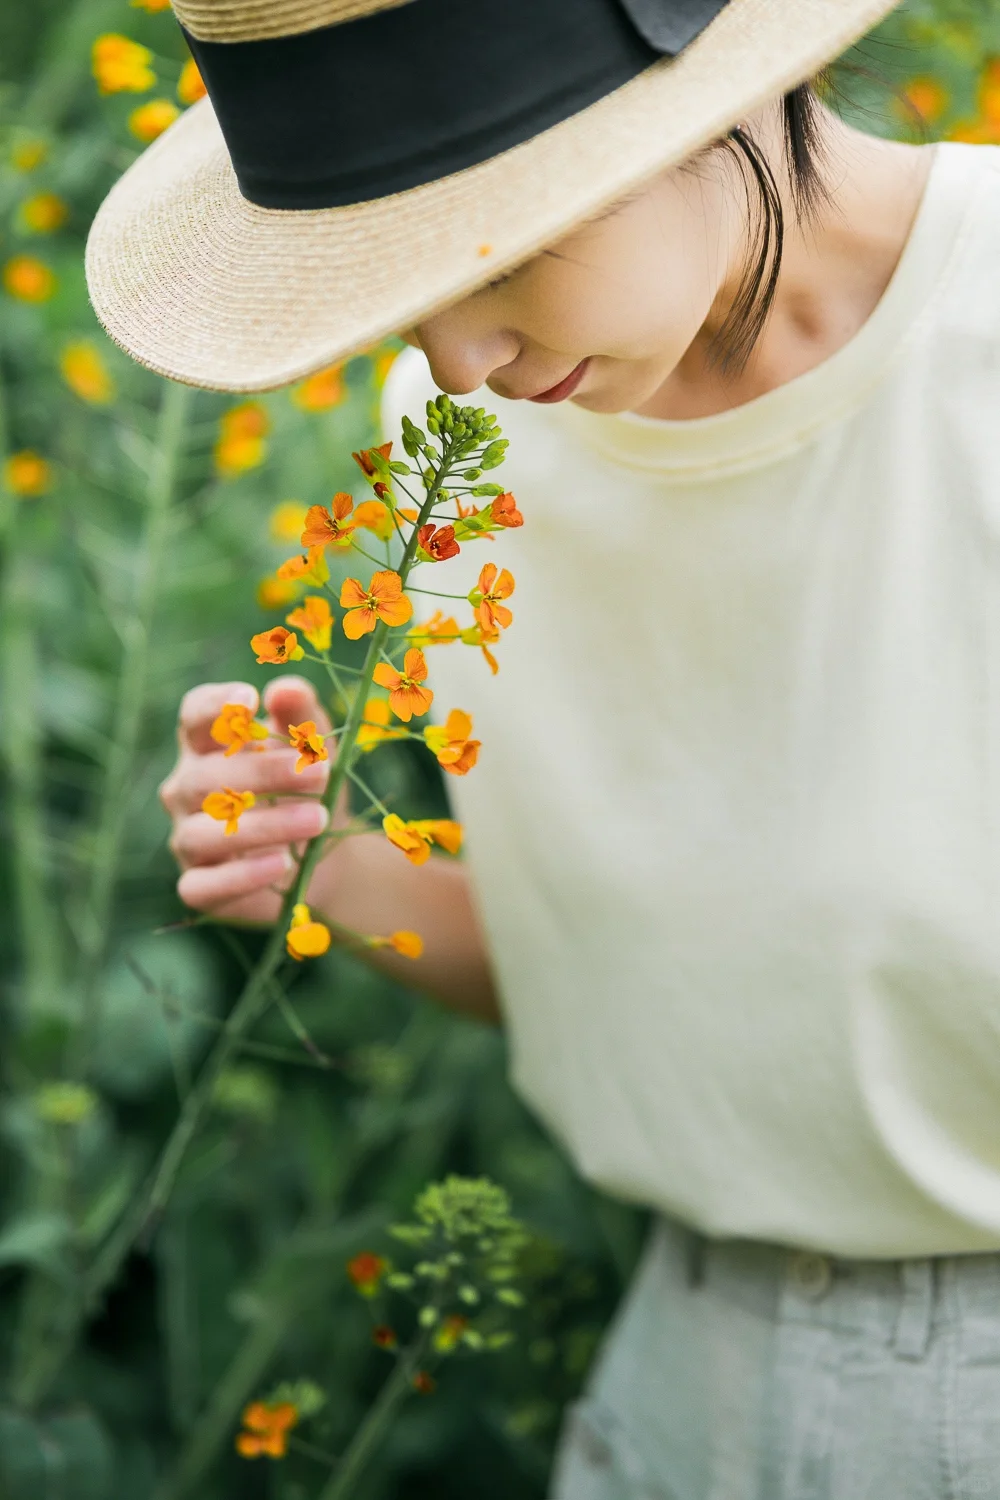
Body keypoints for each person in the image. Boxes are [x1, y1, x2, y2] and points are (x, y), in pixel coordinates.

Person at [87, 1, 1000, 1493]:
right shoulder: (470, 455)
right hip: (677, 1369)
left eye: (496, 254)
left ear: (712, 97)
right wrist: (326, 864)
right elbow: (640, 990)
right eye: (393, 289)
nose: (455, 363)